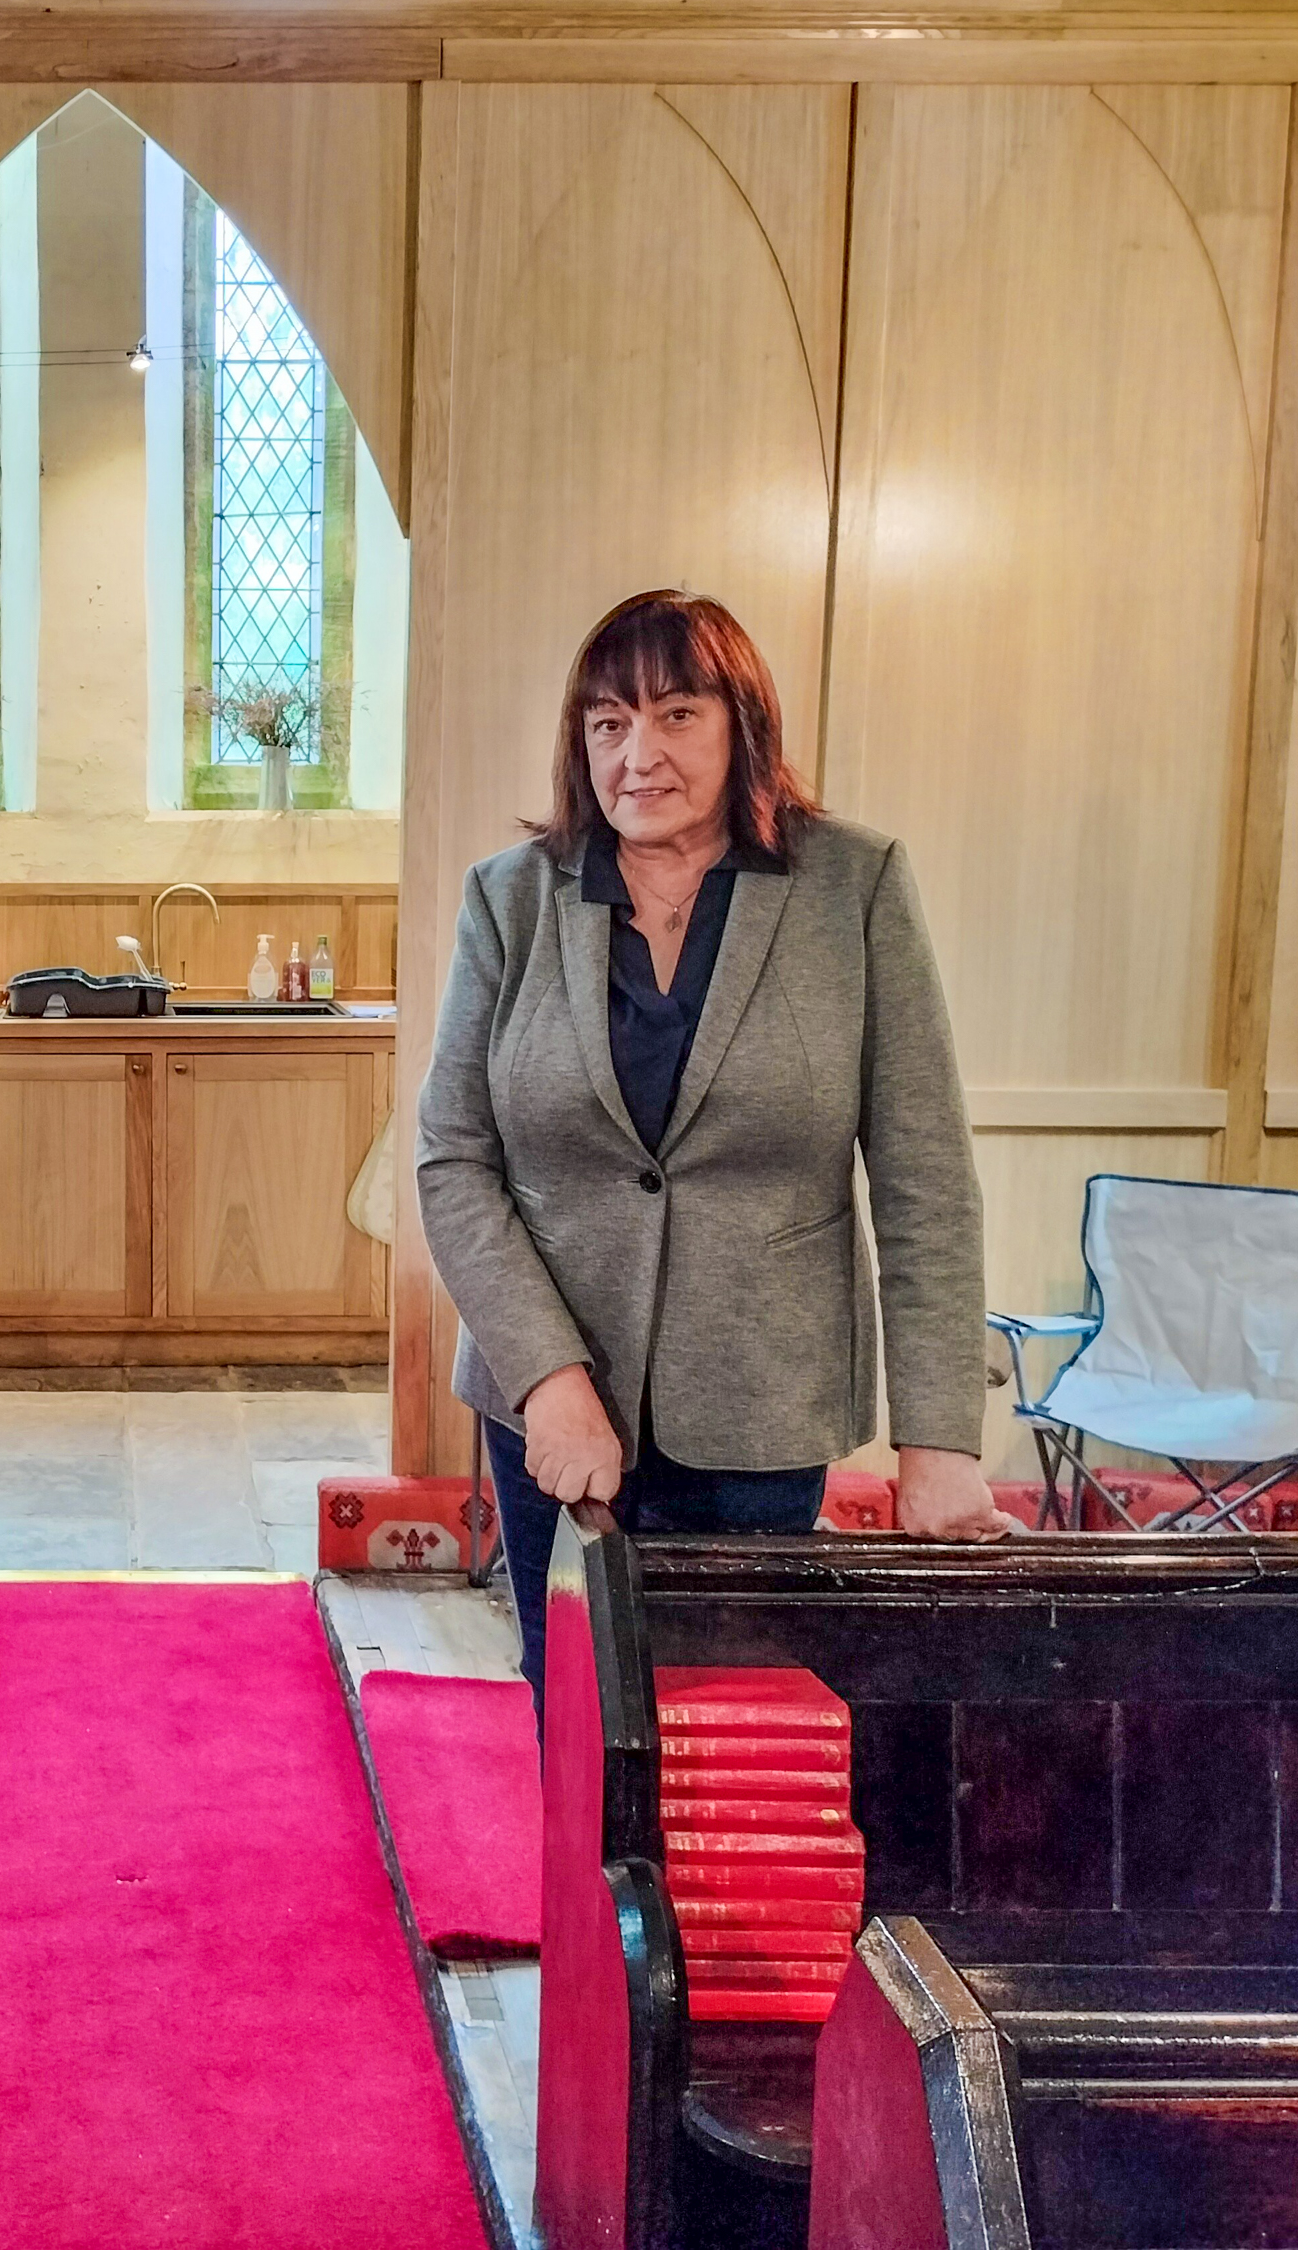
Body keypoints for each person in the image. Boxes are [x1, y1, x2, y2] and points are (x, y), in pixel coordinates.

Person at [417, 591, 1012, 1709]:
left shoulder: (854, 887)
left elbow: (925, 1179)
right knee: (578, 1717)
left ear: (744, 725)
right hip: (552, 1408)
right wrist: (547, 1378)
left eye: (677, 715)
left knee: (736, 1724)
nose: (637, 756)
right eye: (608, 723)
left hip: (762, 1407)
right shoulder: (510, 900)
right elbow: (453, 1160)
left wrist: (939, 1438)